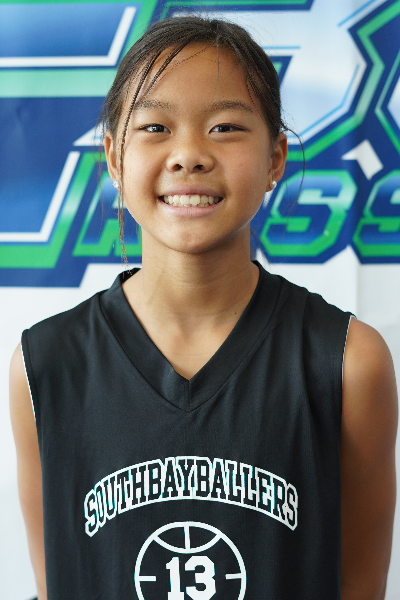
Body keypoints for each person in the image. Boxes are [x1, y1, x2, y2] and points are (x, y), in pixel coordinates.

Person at [10, 15, 397, 600]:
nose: (189, 154)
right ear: (114, 158)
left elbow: (360, 586)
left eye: (225, 127)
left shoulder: (347, 362)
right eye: (155, 127)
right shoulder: (43, 366)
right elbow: (56, 584)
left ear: (275, 159)